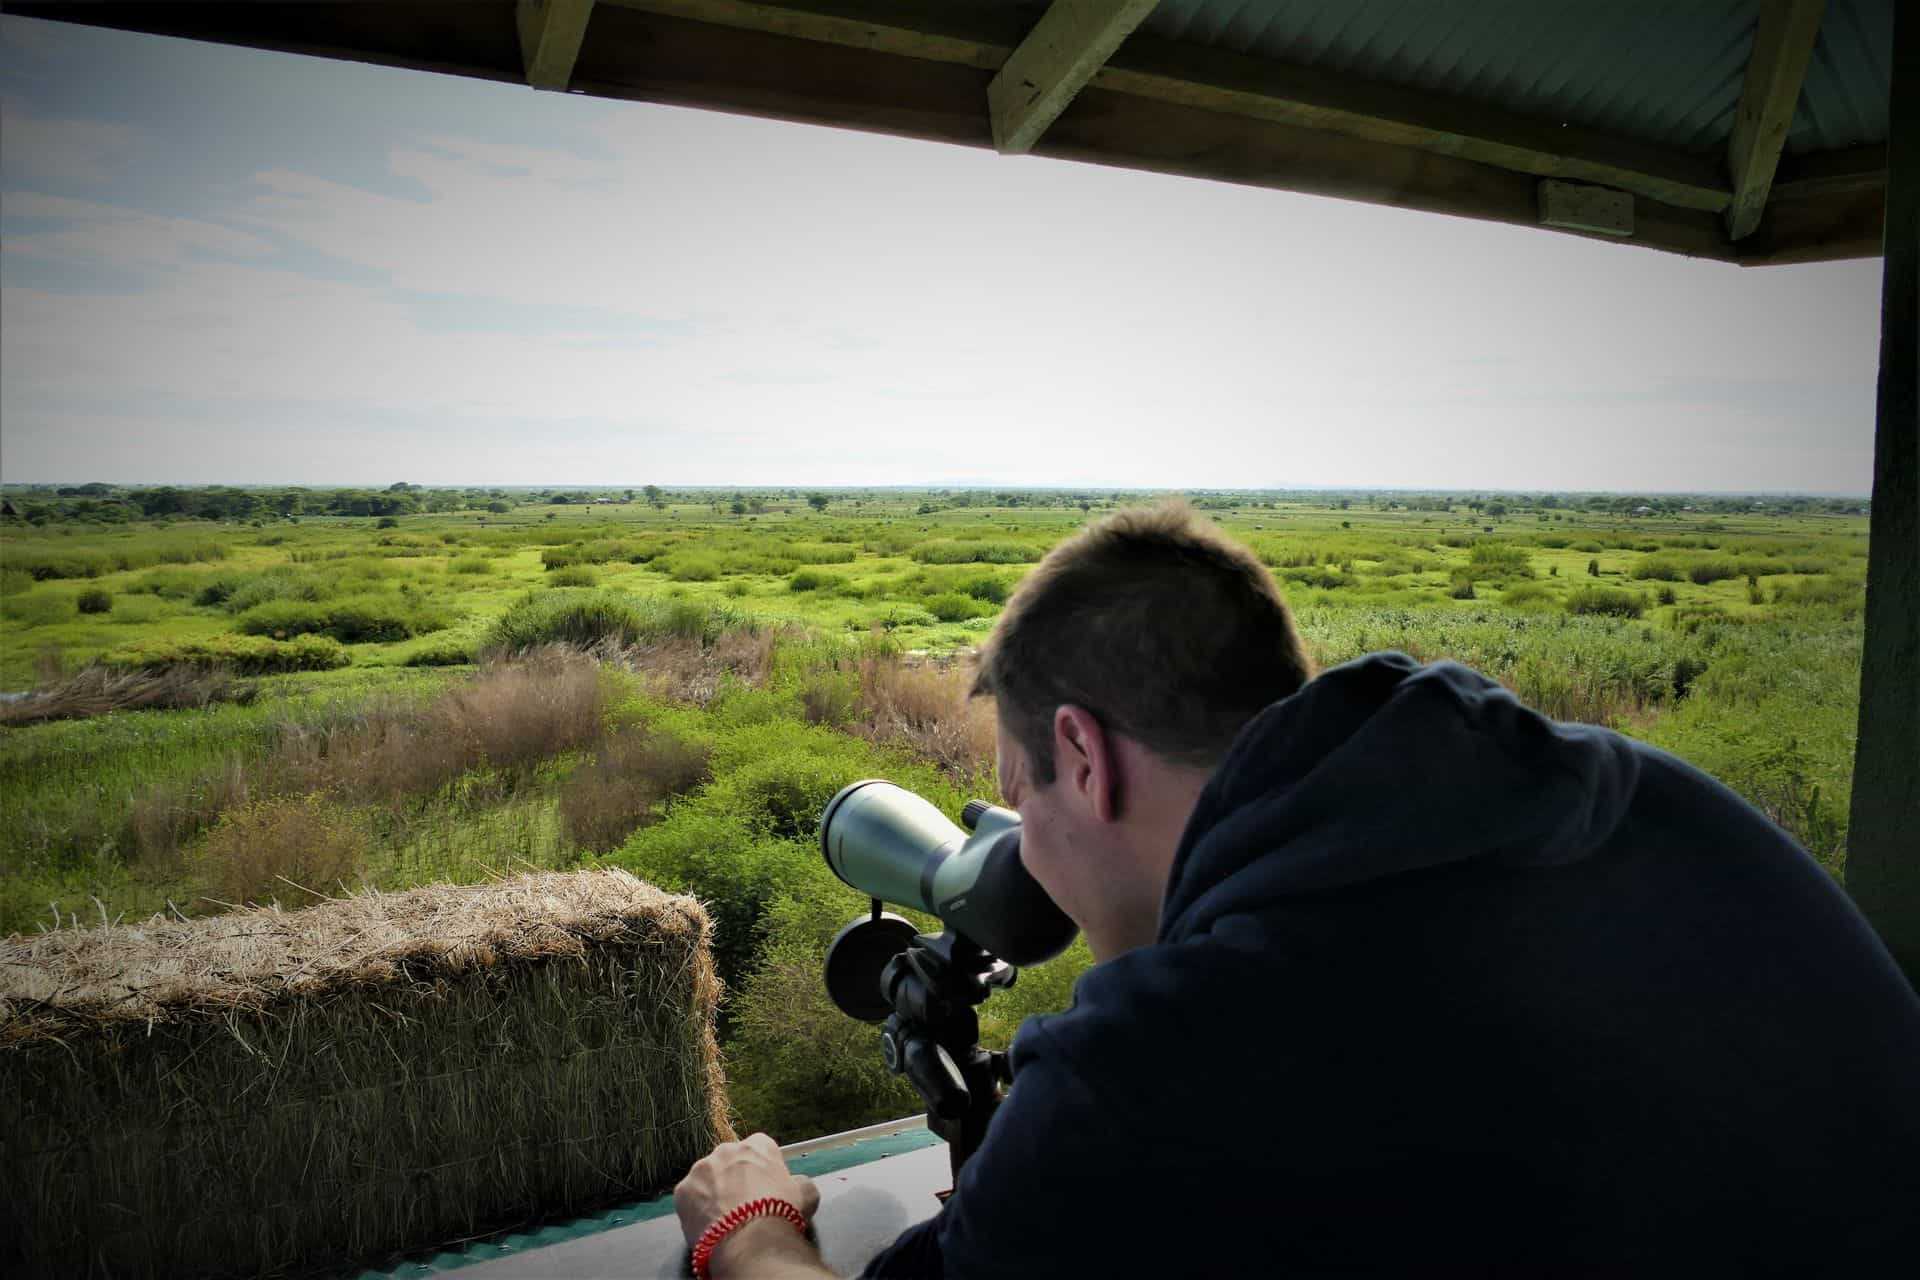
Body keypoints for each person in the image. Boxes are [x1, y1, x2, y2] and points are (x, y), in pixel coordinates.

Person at [674, 501, 1920, 1277]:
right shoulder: (1651, 801)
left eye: (1020, 795)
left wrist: (757, 1228)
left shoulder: (1163, 1060)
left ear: (1085, 758)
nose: (1024, 848)